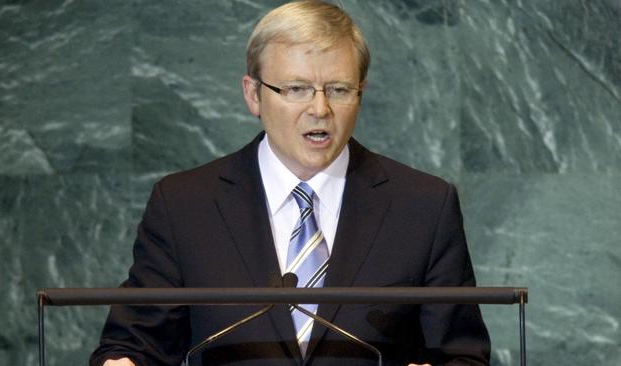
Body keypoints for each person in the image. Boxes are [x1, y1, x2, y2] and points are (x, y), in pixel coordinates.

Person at [90, 1, 490, 365]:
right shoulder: (184, 204)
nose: (320, 109)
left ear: (361, 94)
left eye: (339, 89)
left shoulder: (423, 206)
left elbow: (463, 353)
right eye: (296, 89)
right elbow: (133, 344)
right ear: (253, 95)